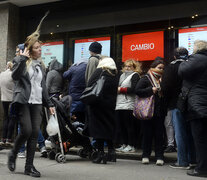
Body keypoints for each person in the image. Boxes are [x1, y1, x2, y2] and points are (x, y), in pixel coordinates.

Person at [7, 12, 55, 178]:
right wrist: (21, 60)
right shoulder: (20, 61)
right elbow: (15, 77)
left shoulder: (41, 65)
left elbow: (43, 86)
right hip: (23, 101)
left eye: (40, 48)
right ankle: (13, 153)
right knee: (26, 130)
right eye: (37, 48)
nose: (40, 50)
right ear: (29, 49)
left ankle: (29, 167)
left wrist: (50, 104)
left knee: (34, 133)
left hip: (37, 103)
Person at [161, 47, 196, 169]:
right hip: (192, 103)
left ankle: (182, 161)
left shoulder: (171, 67)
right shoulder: (192, 66)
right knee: (191, 133)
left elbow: (165, 87)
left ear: (175, 56)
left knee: (180, 133)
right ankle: (193, 159)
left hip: (176, 103)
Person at [179, 40, 207, 177]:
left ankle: (201, 169)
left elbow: (182, 70)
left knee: (200, 139)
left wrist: (185, 60)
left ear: (196, 49)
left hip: (197, 105)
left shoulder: (197, 58)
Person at [85, 57, 119, 164]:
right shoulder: (115, 73)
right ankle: (111, 152)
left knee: (99, 129)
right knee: (108, 128)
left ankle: (100, 154)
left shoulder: (100, 71)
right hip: (111, 105)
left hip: (98, 105)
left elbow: (89, 83)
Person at [135, 59, 165, 166]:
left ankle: (159, 157)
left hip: (159, 112)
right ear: (153, 67)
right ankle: (145, 155)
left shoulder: (162, 79)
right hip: (147, 111)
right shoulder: (146, 78)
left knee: (159, 135)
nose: (161, 70)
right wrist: (150, 90)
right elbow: (137, 91)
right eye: (159, 67)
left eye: (162, 68)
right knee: (147, 134)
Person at [115, 59, 141, 153]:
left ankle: (131, 145)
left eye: (129, 66)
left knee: (129, 126)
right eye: (126, 66)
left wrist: (121, 89)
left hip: (128, 104)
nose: (127, 68)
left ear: (134, 67)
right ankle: (124, 144)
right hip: (119, 104)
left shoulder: (135, 75)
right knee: (121, 126)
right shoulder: (122, 75)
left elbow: (134, 89)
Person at [0, 61, 15, 146]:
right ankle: (9, 138)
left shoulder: (1, 74)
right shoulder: (13, 75)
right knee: (12, 118)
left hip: (4, 98)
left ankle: (3, 138)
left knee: (5, 117)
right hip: (12, 99)